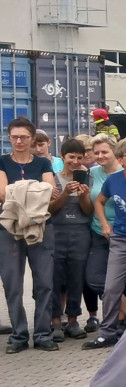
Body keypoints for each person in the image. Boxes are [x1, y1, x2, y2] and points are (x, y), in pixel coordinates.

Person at [83, 138, 126, 350]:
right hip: (120, 239)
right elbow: (99, 201)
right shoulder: (113, 181)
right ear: (120, 159)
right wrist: (104, 224)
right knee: (112, 287)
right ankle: (107, 333)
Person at [0, 117, 58, 353]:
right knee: (12, 284)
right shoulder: (2, 161)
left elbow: (51, 193)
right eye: (14, 136)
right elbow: (4, 196)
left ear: (32, 138)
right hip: (9, 229)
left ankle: (43, 334)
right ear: (9, 137)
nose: (19, 141)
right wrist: (33, 191)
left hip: (40, 227)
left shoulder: (43, 163)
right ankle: (19, 335)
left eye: (24, 136)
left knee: (44, 283)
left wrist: (19, 192)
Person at [48, 138, 94, 342]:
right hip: (57, 232)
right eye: (71, 157)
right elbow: (51, 210)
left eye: (79, 157)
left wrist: (83, 196)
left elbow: (88, 212)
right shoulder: (53, 179)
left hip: (80, 233)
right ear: (63, 157)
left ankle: (73, 320)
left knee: (77, 278)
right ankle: (56, 321)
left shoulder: (87, 178)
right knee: (55, 278)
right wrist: (66, 193)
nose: (75, 161)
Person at [83, 134, 124, 333]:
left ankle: (119, 321)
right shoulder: (92, 173)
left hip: (123, 234)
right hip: (98, 233)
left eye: (104, 151)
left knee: (125, 280)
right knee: (94, 277)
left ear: (115, 152)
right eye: (96, 152)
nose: (99, 155)